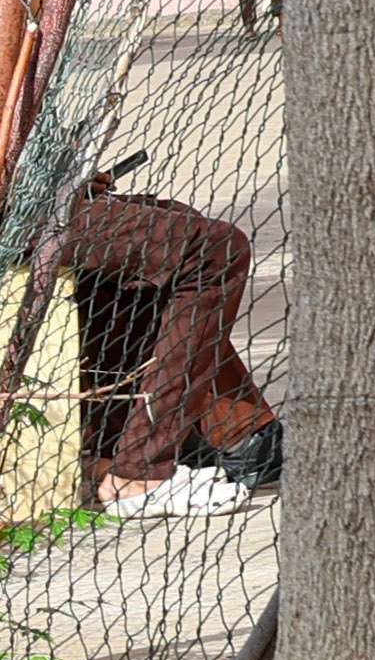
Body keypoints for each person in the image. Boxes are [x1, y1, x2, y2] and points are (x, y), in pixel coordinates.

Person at [62, 186, 281, 506]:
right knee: (213, 249)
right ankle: (139, 472)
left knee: (176, 220)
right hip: (10, 215)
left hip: (40, 204)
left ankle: (116, 445)